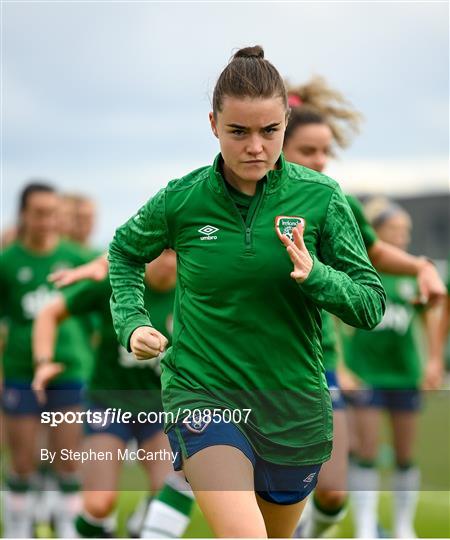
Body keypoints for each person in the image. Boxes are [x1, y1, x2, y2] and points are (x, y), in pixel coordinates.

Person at [107, 45, 386, 538]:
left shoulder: (322, 199)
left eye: (269, 131)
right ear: (214, 123)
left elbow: (369, 303)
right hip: (202, 392)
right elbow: (124, 252)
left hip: (291, 406)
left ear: (285, 121)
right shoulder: (182, 199)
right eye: (239, 131)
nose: (255, 146)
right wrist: (133, 322)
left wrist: (317, 274)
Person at [282, 76, 446, 539]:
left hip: (317, 363)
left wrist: (418, 266)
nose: (319, 162)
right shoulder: (237, 199)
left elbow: (371, 252)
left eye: (324, 152)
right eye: (307, 152)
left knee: (332, 493)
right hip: (251, 366)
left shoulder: (334, 200)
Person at [32, 250, 195, 538]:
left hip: (160, 409)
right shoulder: (118, 283)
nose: (169, 262)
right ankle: (98, 526)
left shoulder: (194, 289)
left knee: (166, 498)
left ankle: (140, 520)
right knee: (98, 503)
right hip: (108, 404)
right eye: (164, 253)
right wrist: (44, 363)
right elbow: (49, 313)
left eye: (176, 254)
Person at [344, 197, 444, 538]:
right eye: (394, 230)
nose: (401, 237)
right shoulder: (360, 270)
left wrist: (433, 361)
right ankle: (364, 528)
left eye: (406, 231)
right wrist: (342, 368)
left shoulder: (412, 275)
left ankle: (403, 527)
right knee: (367, 450)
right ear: (375, 232)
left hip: (404, 374)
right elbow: (330, 321)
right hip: (366, 373)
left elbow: (434, 314)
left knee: (404, 453)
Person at [0, 182, 94, 538]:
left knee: (68, 459)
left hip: (69, 369)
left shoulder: (76, 257)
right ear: (23, 214)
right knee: (23, 461)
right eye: (38, 213)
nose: (46, 221)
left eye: (52, 213)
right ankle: (18, 527)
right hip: (22, 370)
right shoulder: (7, 263)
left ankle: (68, 528)